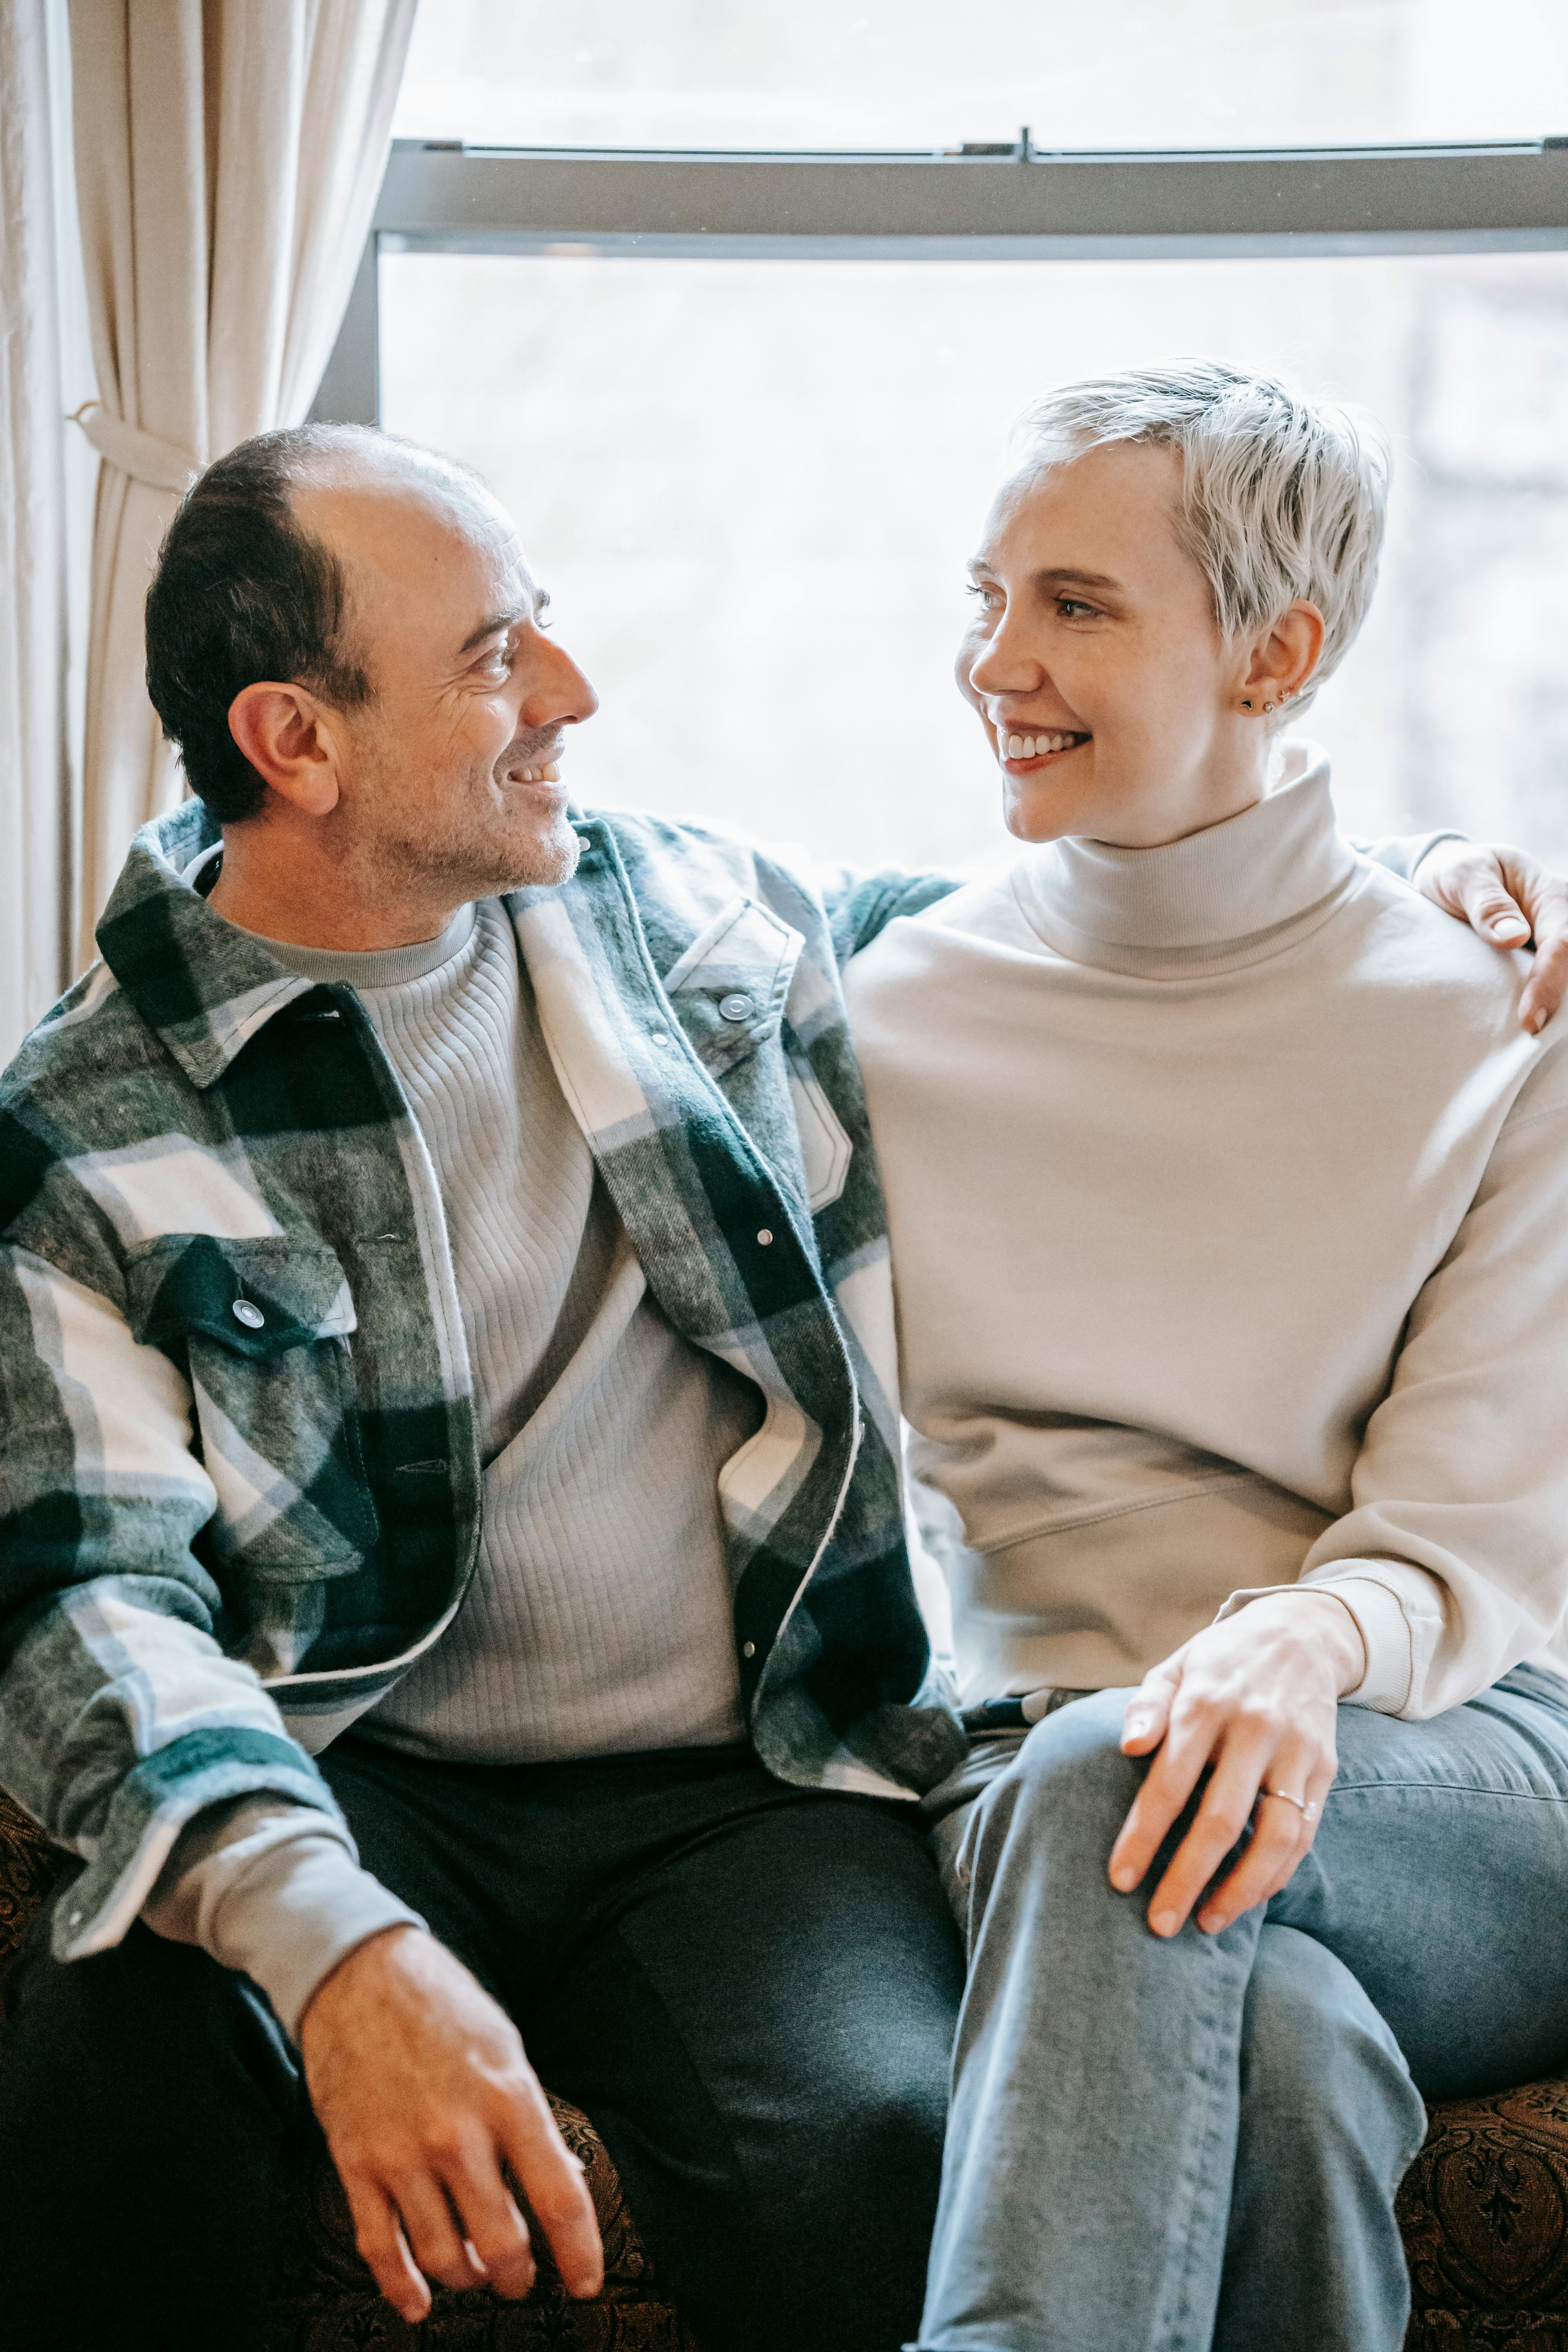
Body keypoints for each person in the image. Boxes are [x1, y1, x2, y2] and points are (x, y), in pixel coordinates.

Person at [0, 420, 1555, 2350]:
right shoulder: (80, 1130)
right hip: (355, 1767)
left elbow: (1166, 915)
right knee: (97, 2087)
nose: (572, 694)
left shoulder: (697, 928)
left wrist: (1426, 880)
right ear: (295, 741)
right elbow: (85, 1608)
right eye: (495, 658)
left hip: (741, 1797)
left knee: (886, 2136)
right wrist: (330, 1948)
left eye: (541, 629)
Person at [842, 360, 1568, 2352]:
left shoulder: (1496, 1011)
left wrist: (1303, 1640)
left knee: (1125, 1774)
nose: (997, 661)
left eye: (1077, 606)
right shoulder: (888, 1004)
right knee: (1284, 2063)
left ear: (1280, 650)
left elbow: (1478, 1534)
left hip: (1460, 1760)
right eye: (986, 596)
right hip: (1029, 1769)